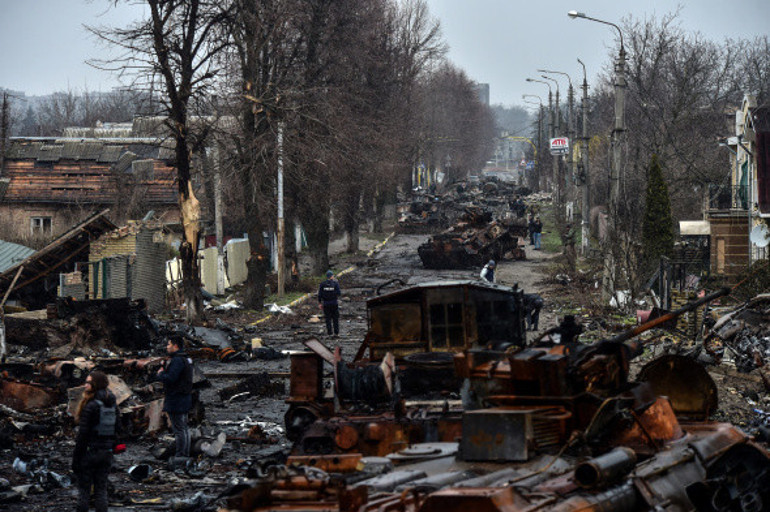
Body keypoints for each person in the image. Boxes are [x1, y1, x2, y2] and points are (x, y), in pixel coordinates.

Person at [72, 370, 117, 512]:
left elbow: (83, 435)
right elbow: (119, 429)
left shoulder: (90, 406)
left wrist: (76, 459)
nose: (85, 385)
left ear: (96, 384)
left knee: (84, 491)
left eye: (88, 382)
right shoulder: (112, 404)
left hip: (90, 452)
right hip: (107, 452)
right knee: (101, 490)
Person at [155, 335, 193, 467]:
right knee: (184, 427)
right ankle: (185, 453)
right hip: (185, 396)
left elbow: (171, 378)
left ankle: (181, 455)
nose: (167, 347)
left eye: (169, 344)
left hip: (176, 398)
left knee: (179, 428)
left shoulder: (177, 360)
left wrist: (160, 373)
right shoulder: (186, 358)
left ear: (175, 346)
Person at [318, 270, 342, 336]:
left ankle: (329, 333)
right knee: (335, 319)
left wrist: (320, 303)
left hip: (326, 304)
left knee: (328, 319)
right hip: (334, 303)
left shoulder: (322, 284)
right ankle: (336, 333)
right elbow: (339, 293)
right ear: (331, 276)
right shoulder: (335, 283)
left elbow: (319, 294)